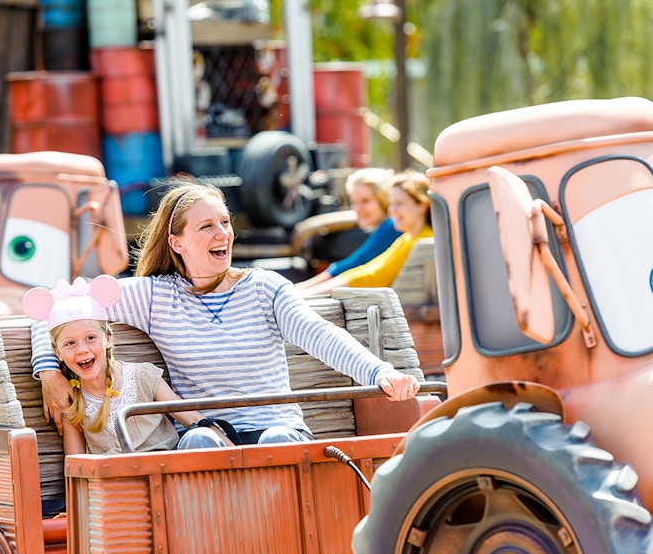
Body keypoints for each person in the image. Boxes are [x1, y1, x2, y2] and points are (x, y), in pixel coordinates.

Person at [31, 182, 421, 446]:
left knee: (276, 442)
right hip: (212, 435)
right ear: (177, 242)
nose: (224, 234)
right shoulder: (155, 296)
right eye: (207, 227)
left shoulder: (265, 287)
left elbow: (318, 334)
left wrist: (379, 372)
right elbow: (55, 303)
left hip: (279, 431)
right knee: (200, 441)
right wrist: (49, 370)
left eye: (225, 222)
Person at [23, 275, 230, 454]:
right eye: (70, 343)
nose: (82, 349)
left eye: (91, 338)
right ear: (57, 353)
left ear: (108, 339)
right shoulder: (74, 402)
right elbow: (75, 466)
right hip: (120, 487)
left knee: (199, 436)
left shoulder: (143, 377)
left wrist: (236, 452)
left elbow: (191, 417)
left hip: (168, 474)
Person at [299, 171, 432, 297]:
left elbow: (371, 274)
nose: (393, 211)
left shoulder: (403, 232)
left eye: (399, 204)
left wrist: (304, 293)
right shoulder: (406, 238)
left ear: (421, 205)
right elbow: (368, 268)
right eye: (354, 202)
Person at [295, 168, 400, 291]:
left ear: (384, 199)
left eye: (365, 201)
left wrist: (300, 289)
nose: (358, 208)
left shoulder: (392, 225)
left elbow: (358, 262)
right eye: (354, 202)